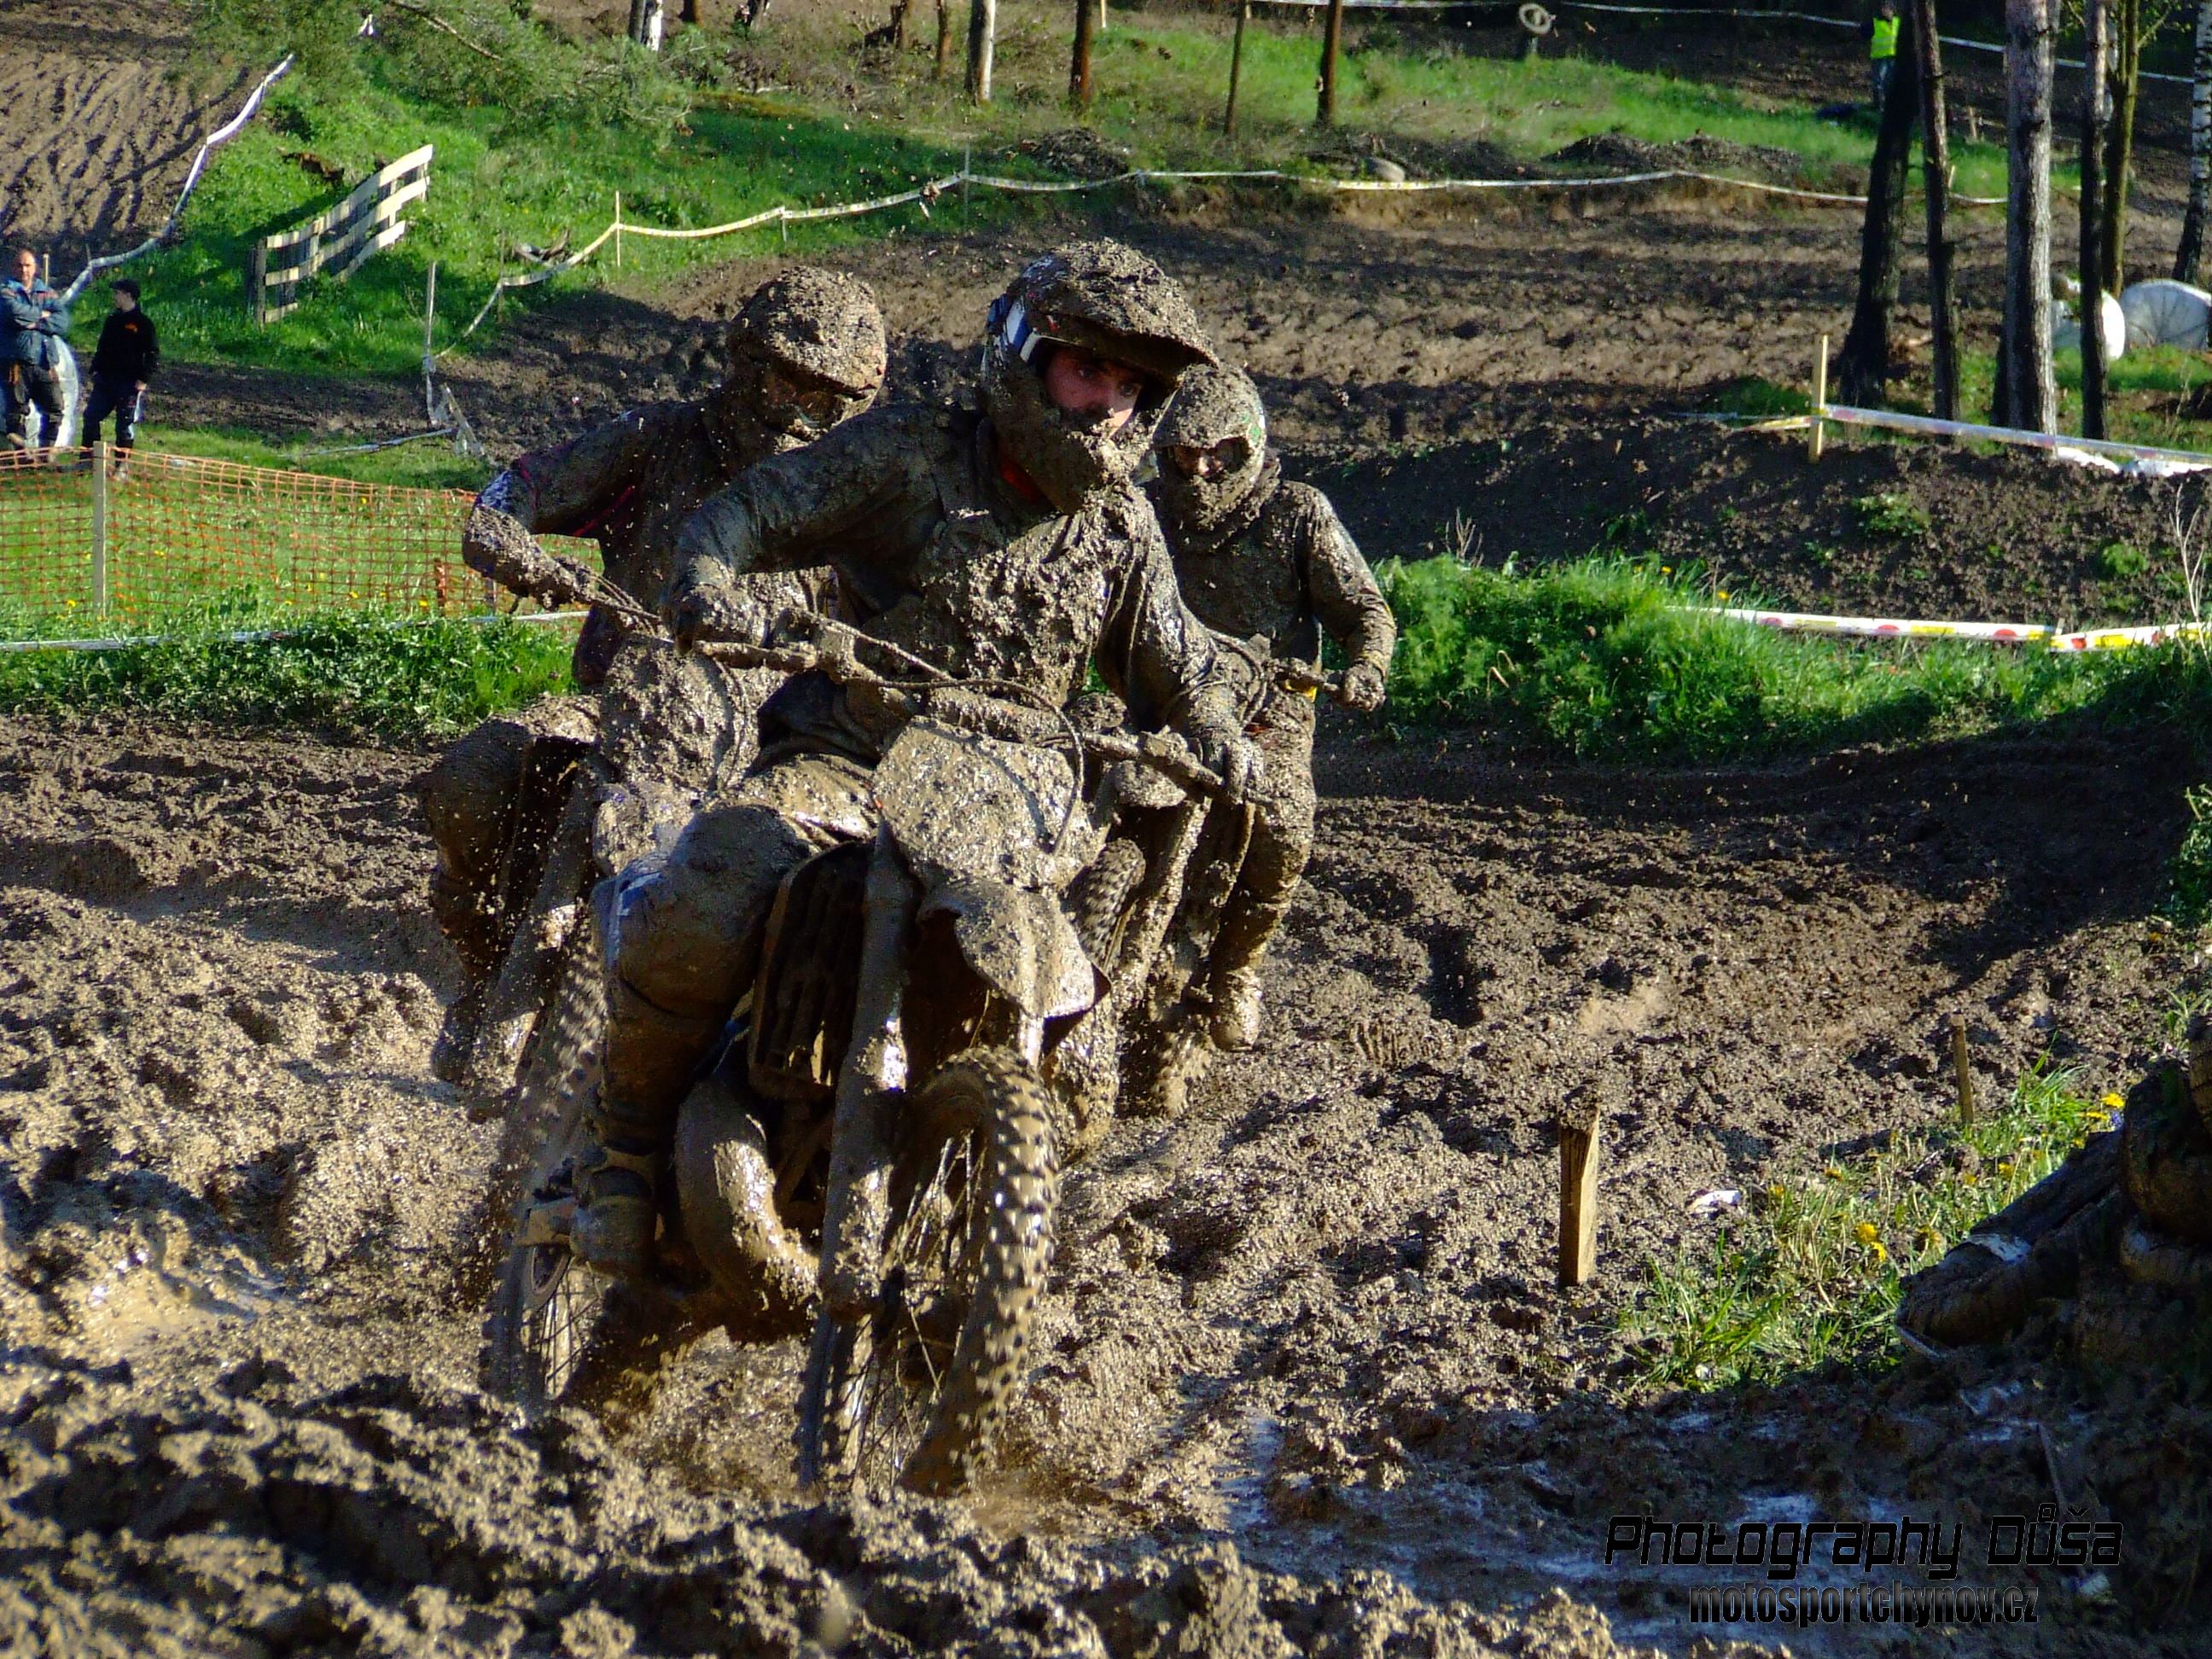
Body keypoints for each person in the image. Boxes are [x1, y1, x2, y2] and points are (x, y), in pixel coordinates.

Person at [539, 241, 1254, 1278]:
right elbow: (753, 508)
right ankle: (622, 1147)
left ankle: (971, 1229)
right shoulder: (912, 453)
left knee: (1082, 1053)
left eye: (1131, 387)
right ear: (1025, 354)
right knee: (716, 889)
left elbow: (1178, 662)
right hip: (848, 759)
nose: (1108, 403)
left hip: (1011, 806)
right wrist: (709, 581)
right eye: (1089, 369)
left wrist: (1218, 728)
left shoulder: (1121, 529)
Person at [418, 267, 888, 1085]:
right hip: (619, 704)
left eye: (827, 398)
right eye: (786, 381)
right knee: (474, 777)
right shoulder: (661, 438)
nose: (799, 412)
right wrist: (511, 541)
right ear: (746, 362)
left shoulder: (860, 496)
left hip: (772, 749)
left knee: (829, 886)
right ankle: (484, 962)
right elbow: (518, 485)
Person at [1148, 364, 1395, 1053]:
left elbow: (1364, 611)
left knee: (1285, 822)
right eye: (1182, 454)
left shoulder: (1296, 514)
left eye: (1216, 454)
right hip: (1161, 692)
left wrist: (1367, 667)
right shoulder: (1142, 511)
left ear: (1248, 446)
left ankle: (1237, 968)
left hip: (1272, 703)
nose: (1199, 470)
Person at [82, 278, 159, 477]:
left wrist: (143, 379)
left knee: (124, 425)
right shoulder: (112, 320)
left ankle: (121, 467)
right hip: (105, 380)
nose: (114, 297)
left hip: (129, 383)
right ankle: (88, 462)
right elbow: (102, 347)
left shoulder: (143, 324)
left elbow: (152, 353)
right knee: (91, 417)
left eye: (117, 293)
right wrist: (95, 369)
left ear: (127, 295)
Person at [2, 248, 70, 460]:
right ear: (14, 268)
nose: (24, 270)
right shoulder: (6, 291)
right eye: (20, 265)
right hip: (16, 363)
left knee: (55, 408)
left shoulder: (46, 292)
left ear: (35, 268)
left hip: (44, 362)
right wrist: (43, 315)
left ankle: (45, 454)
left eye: (28, 265)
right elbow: (14, 313)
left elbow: (63, 322)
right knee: (16, 411)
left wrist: (35, 323)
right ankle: (21, 458)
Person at [1868, 0, 1900, 115]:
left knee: (1889, 82)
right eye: (1883, 9)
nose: (1885, 11)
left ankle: (1889, 106)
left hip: (1892, 56)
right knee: (1878, 82)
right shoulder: (1875, 22)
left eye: (1887, 9)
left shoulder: (1897, 22)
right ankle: (1877, 106)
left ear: (1892, 10)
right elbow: (1864, 33)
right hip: (1879, 57)